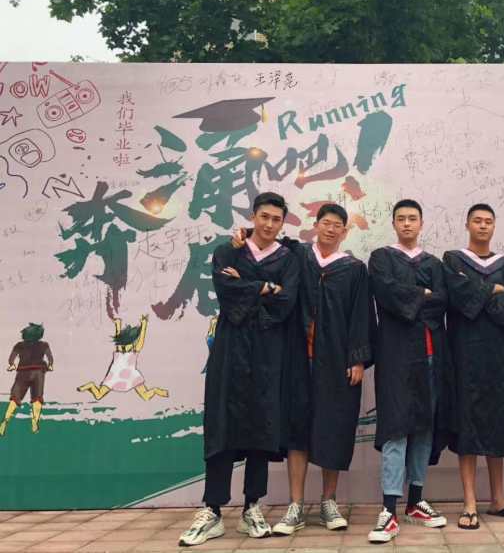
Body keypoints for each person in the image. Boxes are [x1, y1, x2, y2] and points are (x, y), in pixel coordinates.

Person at [233, 202, 372, 535]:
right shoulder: (298, 256)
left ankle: (328, 502)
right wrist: (244, 234)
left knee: (333, 428)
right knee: (297, 430)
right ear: (316, 224)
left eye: (337, 225)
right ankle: (295, 505)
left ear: (344, 232)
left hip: (336, 363)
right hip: (296, 359)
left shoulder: (354, 269)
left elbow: (361, 316)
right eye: (326, 223)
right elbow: (268, 241)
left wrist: (357, 358)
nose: (331, 229)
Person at [179, 192, 300, 546]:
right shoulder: (227, 251)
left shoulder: (288, 259)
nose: (269, 224)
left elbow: (286, 301)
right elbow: (225, 290)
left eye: (276, 219)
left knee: (261, 424)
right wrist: (264, 286)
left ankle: (252, 507)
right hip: (230, 349)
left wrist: (249, 286)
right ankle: (212, 510)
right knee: (222, 423)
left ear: (282, 222)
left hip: (267, 351)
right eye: (264, 217)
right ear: (253, 216)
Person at [366, 199, 450, 544]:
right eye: (400, 218)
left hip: (431, 354)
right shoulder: (381, 258)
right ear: (394, 223)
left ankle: (416, 501)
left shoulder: (434, 262)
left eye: (412, 218)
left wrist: (418, 298)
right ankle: (389, 509)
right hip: (396, 355)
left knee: (424, 425)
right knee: (396, 426)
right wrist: (422, 295)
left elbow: (442, 300)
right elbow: (386, 293)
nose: (406, 224)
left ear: (421, 223)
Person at [443, 203, 504, 530]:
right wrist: (492, 289)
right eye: (477, 221)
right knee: (468, 422)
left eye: (488, 221)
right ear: (467, 224)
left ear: (494, 226)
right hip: (465, 352)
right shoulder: (453, 260)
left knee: (498, 421)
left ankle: (498, 499)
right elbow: (457, 296)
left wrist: (480, 293)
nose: (482, 225)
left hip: (500, 353)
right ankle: (469, 502)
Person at [77, 314, 168, 401]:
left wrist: (119, 324)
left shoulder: (123, 348)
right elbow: (134, 339)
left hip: (126, 376)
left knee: (99, 395)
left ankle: (156, 390)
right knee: (145, 396)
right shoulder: (128, 349)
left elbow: (122, 337)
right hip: (119, 375)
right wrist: (143, 325)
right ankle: (91, 385)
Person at [1, 323, 53, 436]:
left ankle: (5, 421)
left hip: (23, 372)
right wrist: (50, 366)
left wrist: (12, 365)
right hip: (38, 373)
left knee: (15, 398)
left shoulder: (19, 345)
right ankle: (35, 422)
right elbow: (50, 358)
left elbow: (11, 359)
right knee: (37, 399)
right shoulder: (44, 345)